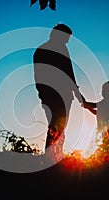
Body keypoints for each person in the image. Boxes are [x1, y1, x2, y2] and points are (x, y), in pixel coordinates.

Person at [33, 23, 85, 158]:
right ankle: (51, 159)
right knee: (56, 128)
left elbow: (68, 74)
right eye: (67, 37)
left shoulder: (42, 50)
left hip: (58, 96)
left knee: (57, 128)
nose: (68, 40)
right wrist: (79, 97)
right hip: (55, 96)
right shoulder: (52, 50)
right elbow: (69, 74)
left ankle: (54, 158)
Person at [83, 80, 109, 152]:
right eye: (103, 89)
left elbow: (95, 106)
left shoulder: (108, 100)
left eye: (105, 89)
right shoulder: (107, 101)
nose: (102, 91)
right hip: (108, 126)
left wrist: (86, 104)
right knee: (107, 146)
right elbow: (97, 112)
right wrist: (87, 106)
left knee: (108, 147)